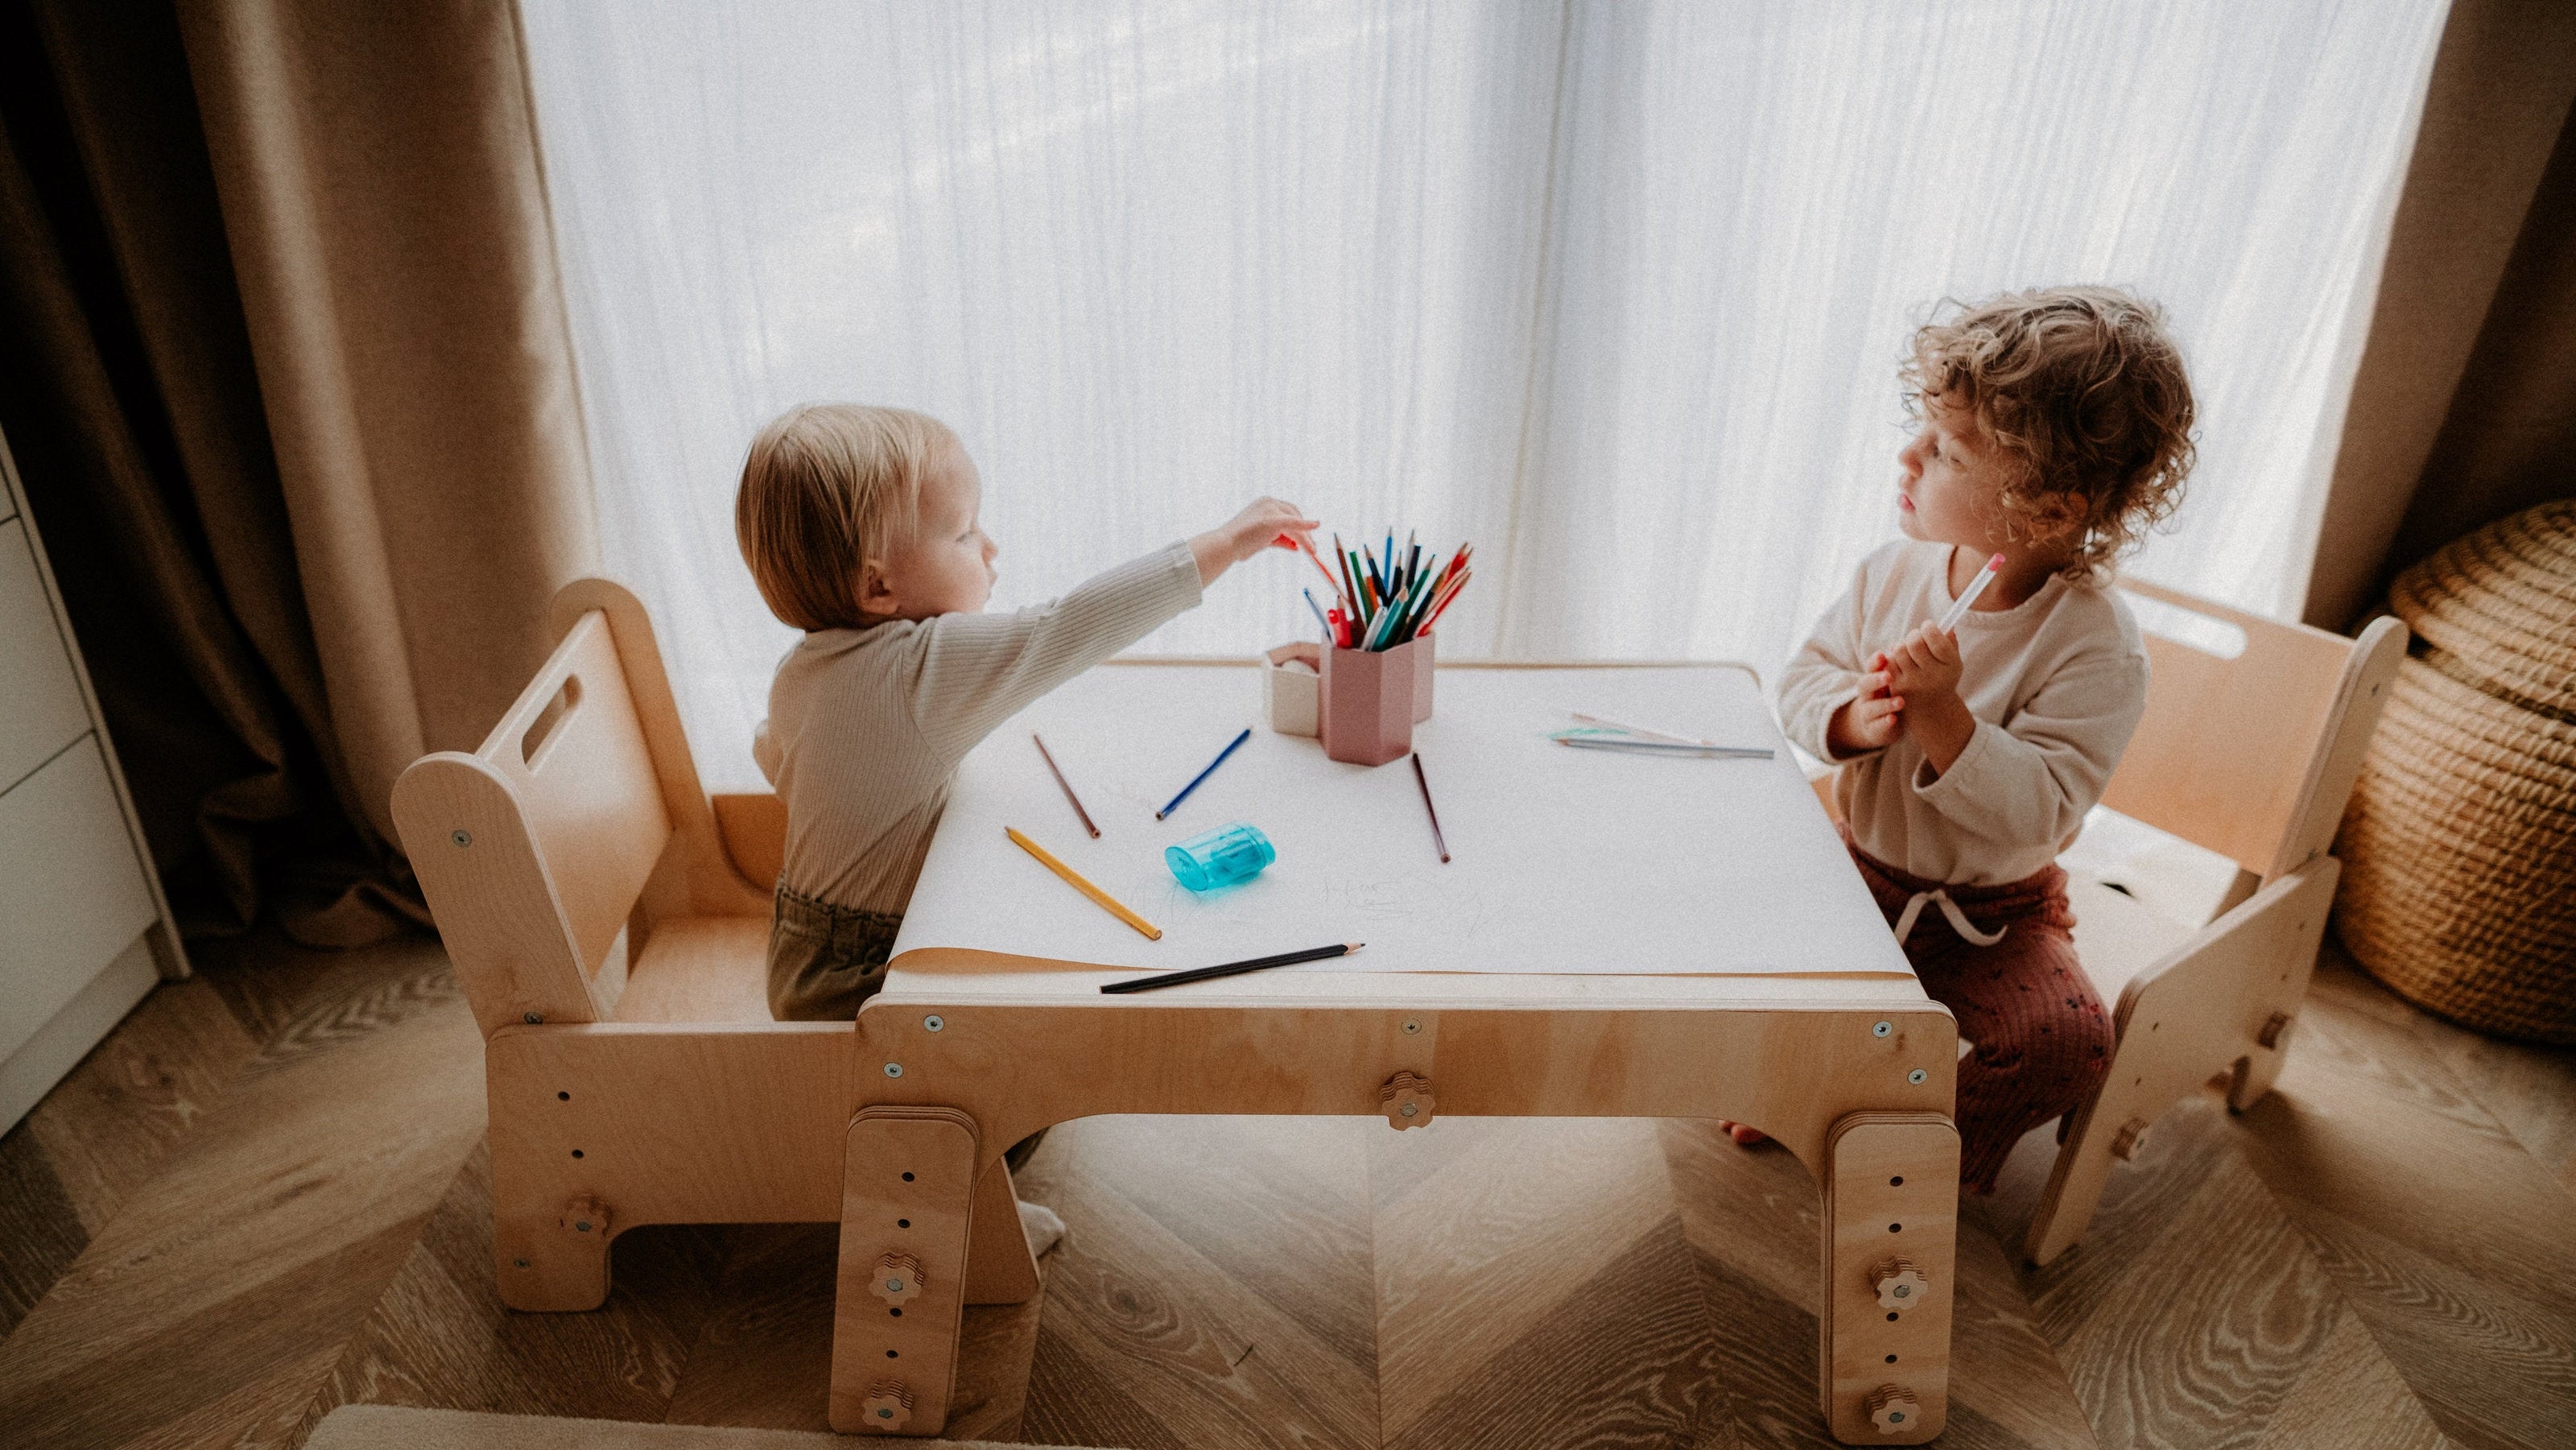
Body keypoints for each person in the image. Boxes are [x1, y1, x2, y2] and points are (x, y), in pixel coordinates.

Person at [735, 403, 1315, 1247]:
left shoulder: (804, 668)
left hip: (803, 950)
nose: (991, 550)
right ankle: (953, 1213)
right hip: (864, 978)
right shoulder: (920, 666)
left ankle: (935, 1165)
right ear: (876, 587)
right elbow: (1065, 628)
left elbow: (777, 758)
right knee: (1023, 1075)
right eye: (965, 534)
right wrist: (1221, 544)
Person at [1758, 287, 2197, 1194]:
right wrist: (1852, 718)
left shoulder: (2093, 644)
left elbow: (2042, 808)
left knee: (2066, 1044)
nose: (1908, 455)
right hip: (1860, 872)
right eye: (1922, 431)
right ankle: (1792, 1091)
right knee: (1743, 951)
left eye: (1947, 451)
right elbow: (1802, 679)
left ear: (2043, 508)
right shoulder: (1891, 572)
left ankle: (1919, 1158)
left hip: (1993, 913)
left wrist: (1943, 718)